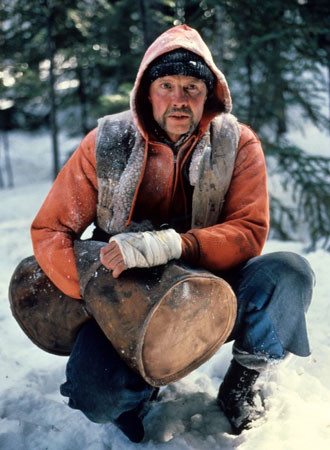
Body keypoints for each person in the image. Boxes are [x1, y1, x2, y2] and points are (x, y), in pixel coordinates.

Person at [29, 25, 314, 442]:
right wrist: (97, 291)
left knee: (289, 273)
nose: (179, 98)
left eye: (192, 87)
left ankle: (243, 384)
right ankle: (139, 389)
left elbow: (249, 230)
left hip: (212, 287)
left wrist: (175, 244)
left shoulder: (237, 144)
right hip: (126, 296)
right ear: (148, 91)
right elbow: (51, 230)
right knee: (96, 396)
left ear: (209, 94)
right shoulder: (105, 142)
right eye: (167, 85)